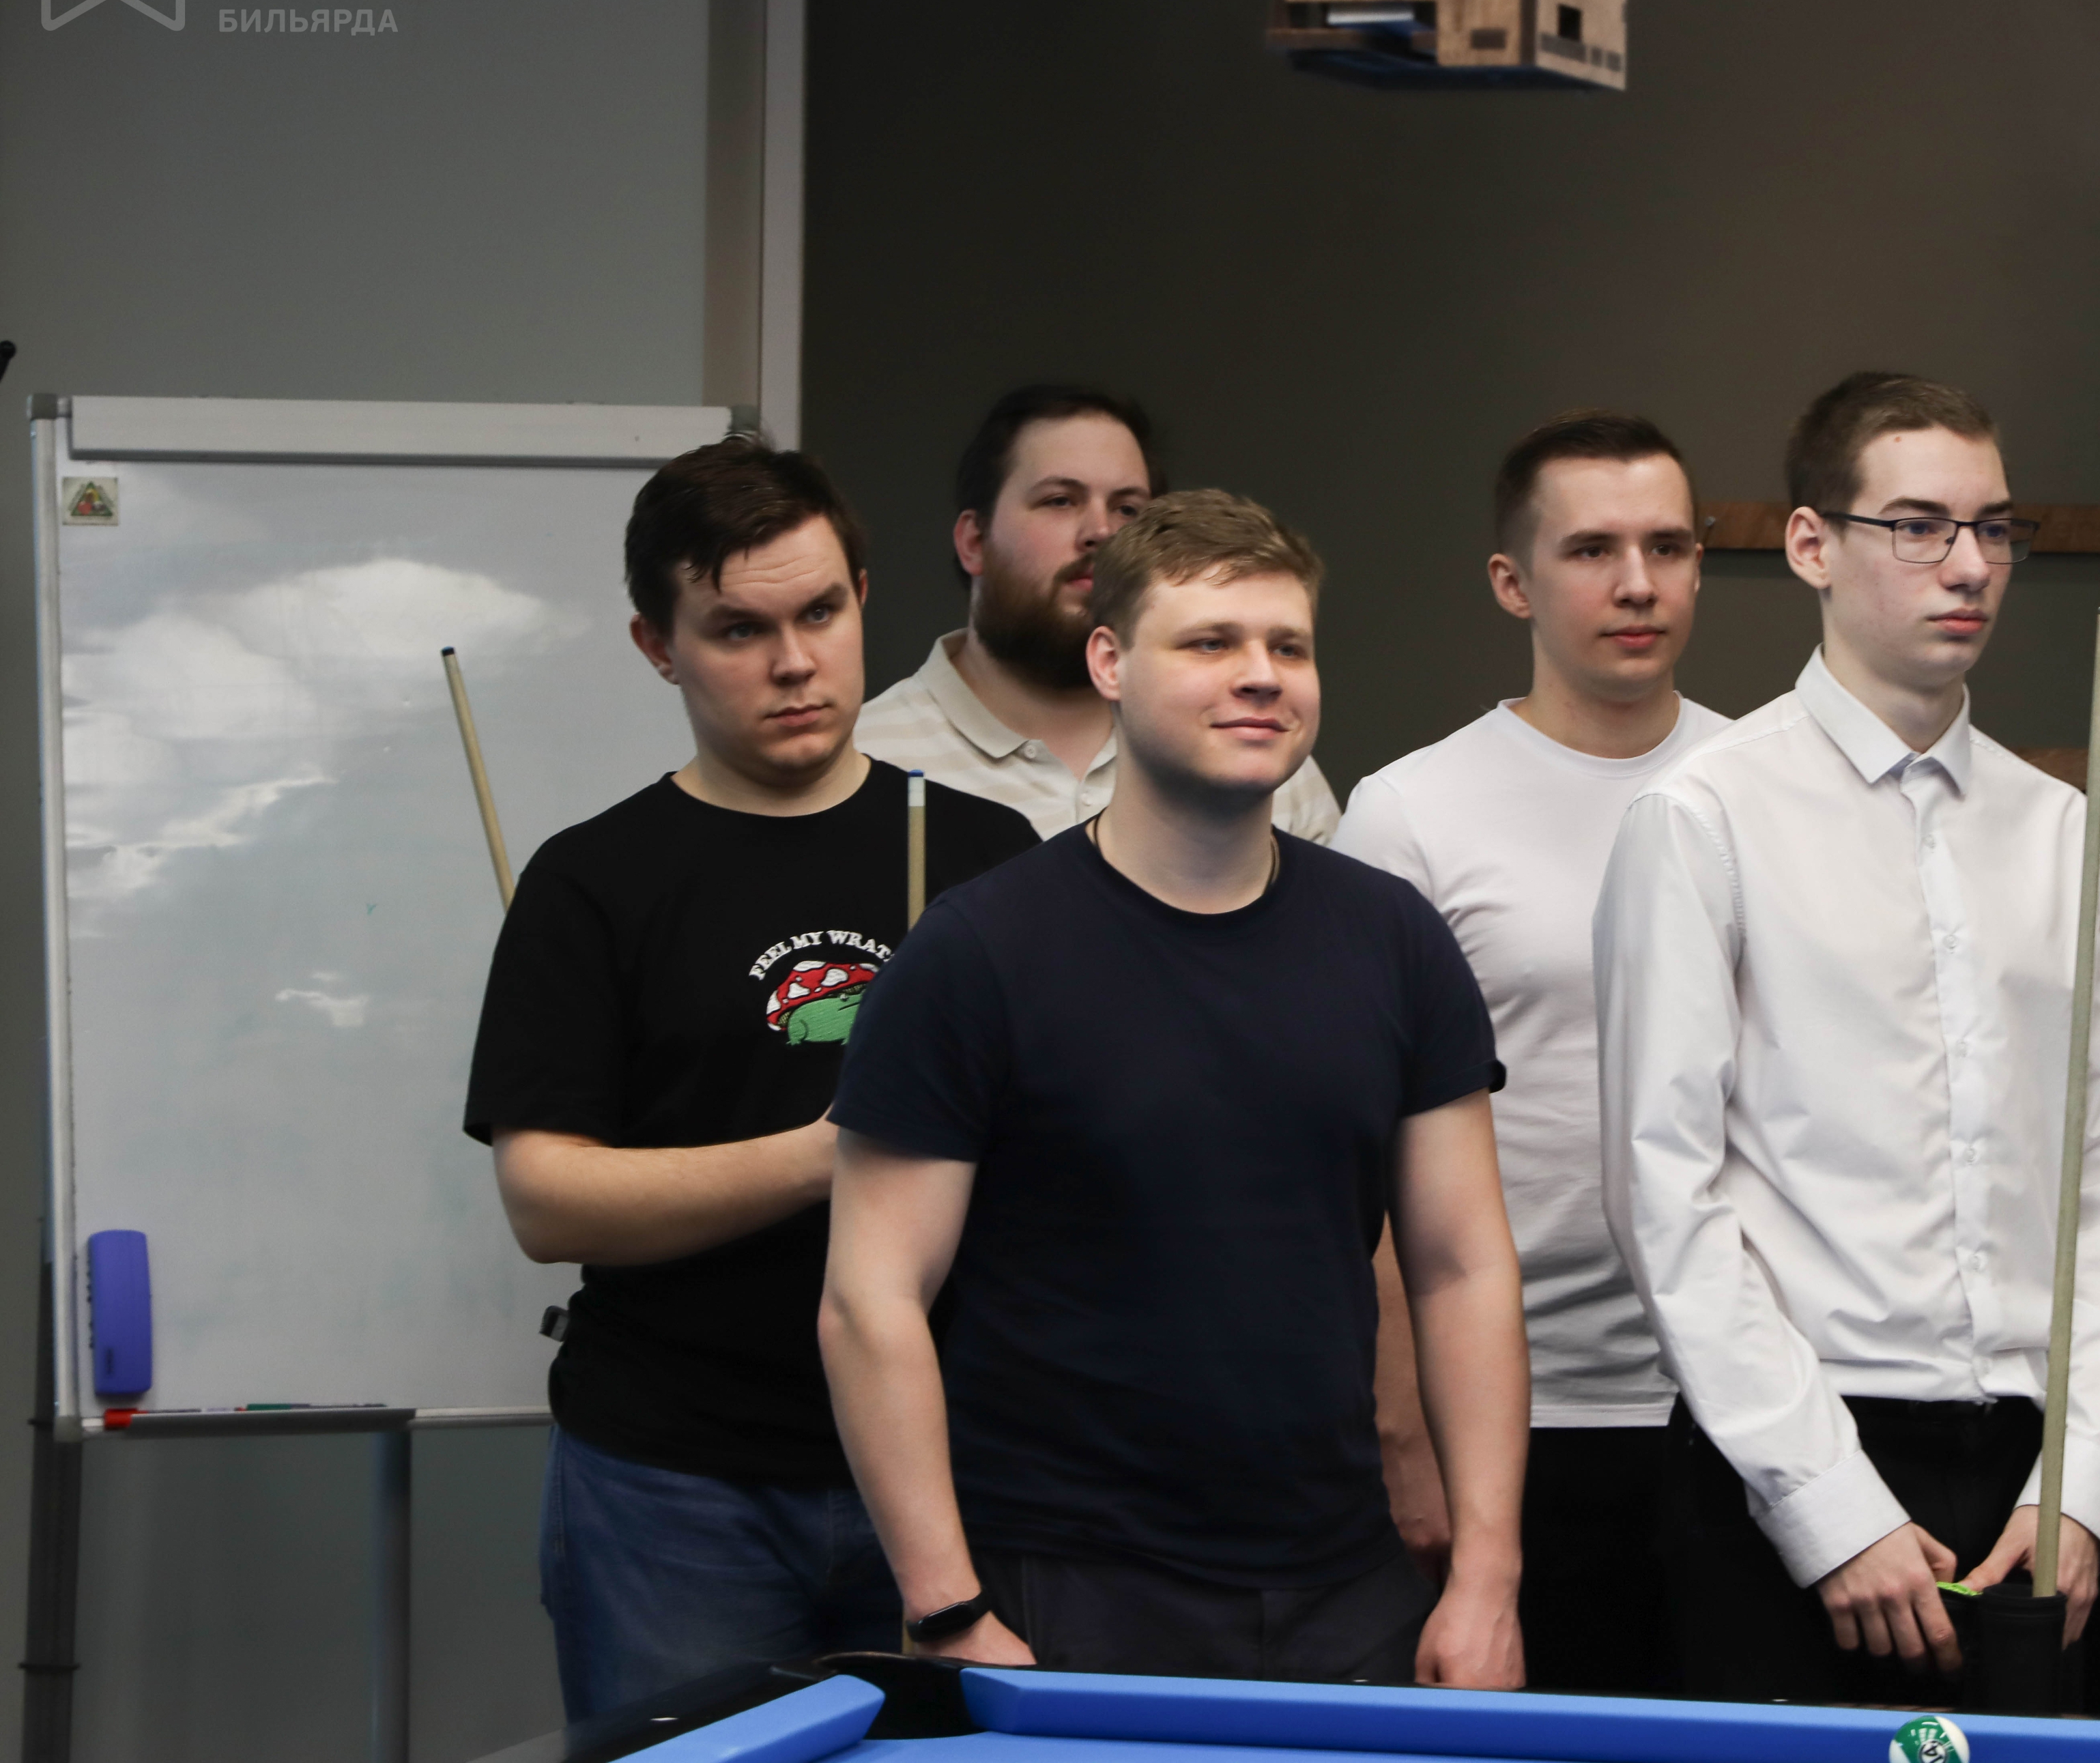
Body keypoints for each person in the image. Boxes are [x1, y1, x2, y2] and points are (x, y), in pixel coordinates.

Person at [819, 491, 1530, 1687]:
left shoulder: (1394, 939)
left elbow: (1463, 1267)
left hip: (1345, 1584)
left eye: (1288, 645)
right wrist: (949, 1612)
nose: (1260, 674)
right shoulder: (978, 951)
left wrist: (1486, 1577)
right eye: (1210, 642)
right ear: (1110, 661)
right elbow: (869, 1301)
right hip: (1067, 1594)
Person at [1595, 371, 2100, 1705]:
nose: (1966, 566)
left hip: (2031, 1484)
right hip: (1788, 1458)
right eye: (1916, 526)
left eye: (1993, 528)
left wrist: (2081, 1487)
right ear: (1810, 545)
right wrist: (1825, 1503)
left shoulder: (2066, 835)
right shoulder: (1701, 817)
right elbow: (1662, 1194)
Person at [461, 440, 1037, 1718]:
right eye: (738, 629)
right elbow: (547, 1201)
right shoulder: (591, 881)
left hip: (950, 1462)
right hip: (675, 1483)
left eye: (820, 612)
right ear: (656, 646)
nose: (793, 662)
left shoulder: (986, 853)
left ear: (864, 597)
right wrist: (832, 1152)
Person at [1336, 411, 1728, 1694]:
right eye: (1593, 550)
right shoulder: (1409, 812)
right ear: (1513, 582)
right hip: (1511, 1411)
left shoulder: (1766, 788)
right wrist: (1407, 1432)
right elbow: (1363, 1162)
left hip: (1737, 1403)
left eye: (1668, 546)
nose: (1637, 583)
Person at [858, 383, 1341, 840]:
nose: (1101, 532)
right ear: (974, 541)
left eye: (1128, 509)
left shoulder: (1251, 744)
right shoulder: (865, 757)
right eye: (1060, 501)